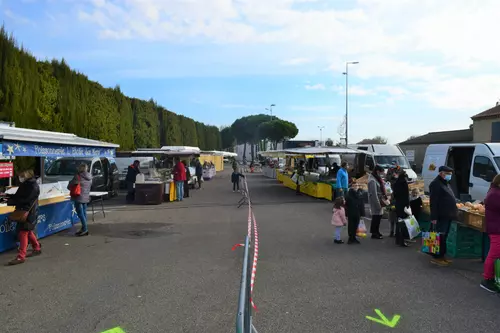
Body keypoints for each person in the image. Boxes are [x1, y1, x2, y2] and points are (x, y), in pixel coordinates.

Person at [6, 170, 41, 265]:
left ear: (26, 176)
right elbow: (20, 196)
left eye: (21, 176)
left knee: (23, 232)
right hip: (27, 211)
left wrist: (11, 201)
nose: (19, 178)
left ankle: (21, 256)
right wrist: (8, 196)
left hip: (28, 212)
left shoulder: (31, 186)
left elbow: (25, 200)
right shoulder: (28, 184)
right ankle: (36, 247)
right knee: (28, 231)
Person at [429, 165, 458, 266]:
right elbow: (433, 202)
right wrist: (434, 217)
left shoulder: (445, 183)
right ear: (442, 173)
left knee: (444, 236)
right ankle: (437, 257)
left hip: (447, 215)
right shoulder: (435, 184)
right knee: (439, 237)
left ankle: (442, 256)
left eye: (450, 174)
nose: (450, 176)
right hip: (441, 215)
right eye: (448, 174)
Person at [481, 174, 500, 292]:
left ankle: (493, 277)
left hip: (496, 227)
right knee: (494, 254)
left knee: (495, 254)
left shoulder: (494, 192)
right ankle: (487, 279)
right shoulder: (495, 194)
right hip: (496, 229)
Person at [68, 163, 92, 236]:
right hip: (86, 196)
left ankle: (85, 229)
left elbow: (69, 186)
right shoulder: (90, 176)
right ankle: (83, 228)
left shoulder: (77, 176)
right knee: (84, 213)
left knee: (80, 213)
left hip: (78, 197)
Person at [367, 165, 388, 239]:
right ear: (377, 171)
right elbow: (374, 194)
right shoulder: (372, 180)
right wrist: (378, 204)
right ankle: (374, 233)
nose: (382, 174)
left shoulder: (376, 178)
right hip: (375, 201)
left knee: (378, 217)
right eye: (381, 172)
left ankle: (377, 231)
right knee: (375, 217)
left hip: (379, 199)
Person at [392, 169, 410, 247]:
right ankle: (402, 241)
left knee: (398, 222)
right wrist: (408, 204)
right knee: (403, 223)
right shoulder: (404, 183)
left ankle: (398, 239)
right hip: (403, 205)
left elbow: (395, 194)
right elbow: (406, 195)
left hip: (398, 204)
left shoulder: (396, 183)